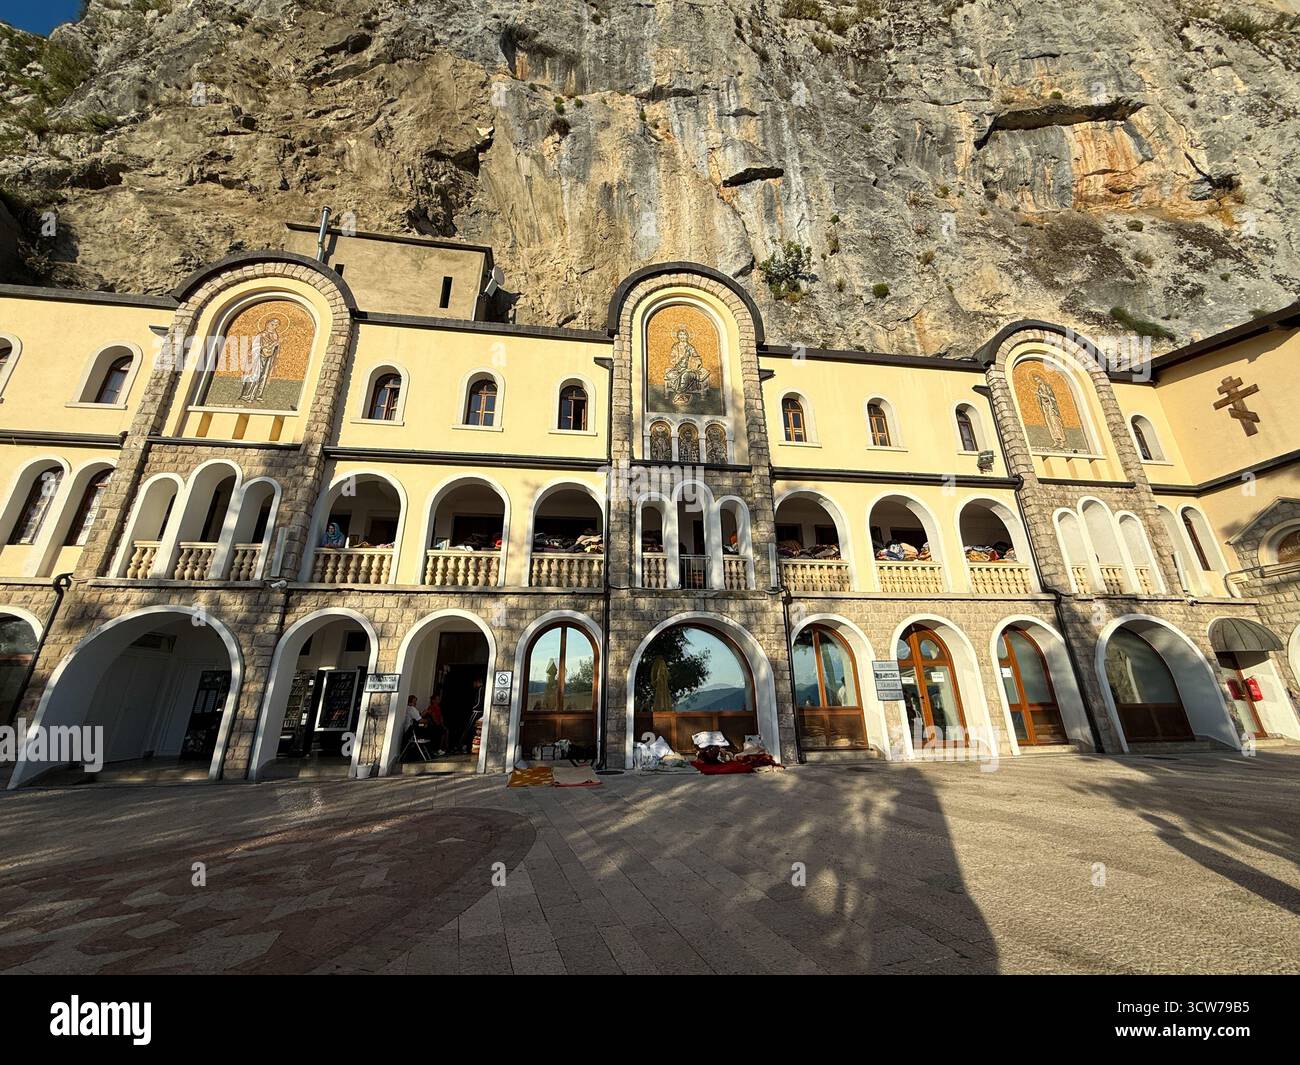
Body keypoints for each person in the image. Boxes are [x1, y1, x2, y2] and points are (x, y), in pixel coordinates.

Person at [420, 690, 448, 755]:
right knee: (442, 731)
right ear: (433, 700)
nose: (439, 700)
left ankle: (445, 748)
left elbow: (441, 717)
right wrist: (438, 724)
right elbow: (433, 717)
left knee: (446, 731)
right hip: (434, 725)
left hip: (438, 724)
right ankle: (439, 749)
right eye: (437, 699)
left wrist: (442, 724)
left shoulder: (438, 707)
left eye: (439, 699)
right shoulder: (431, 707)